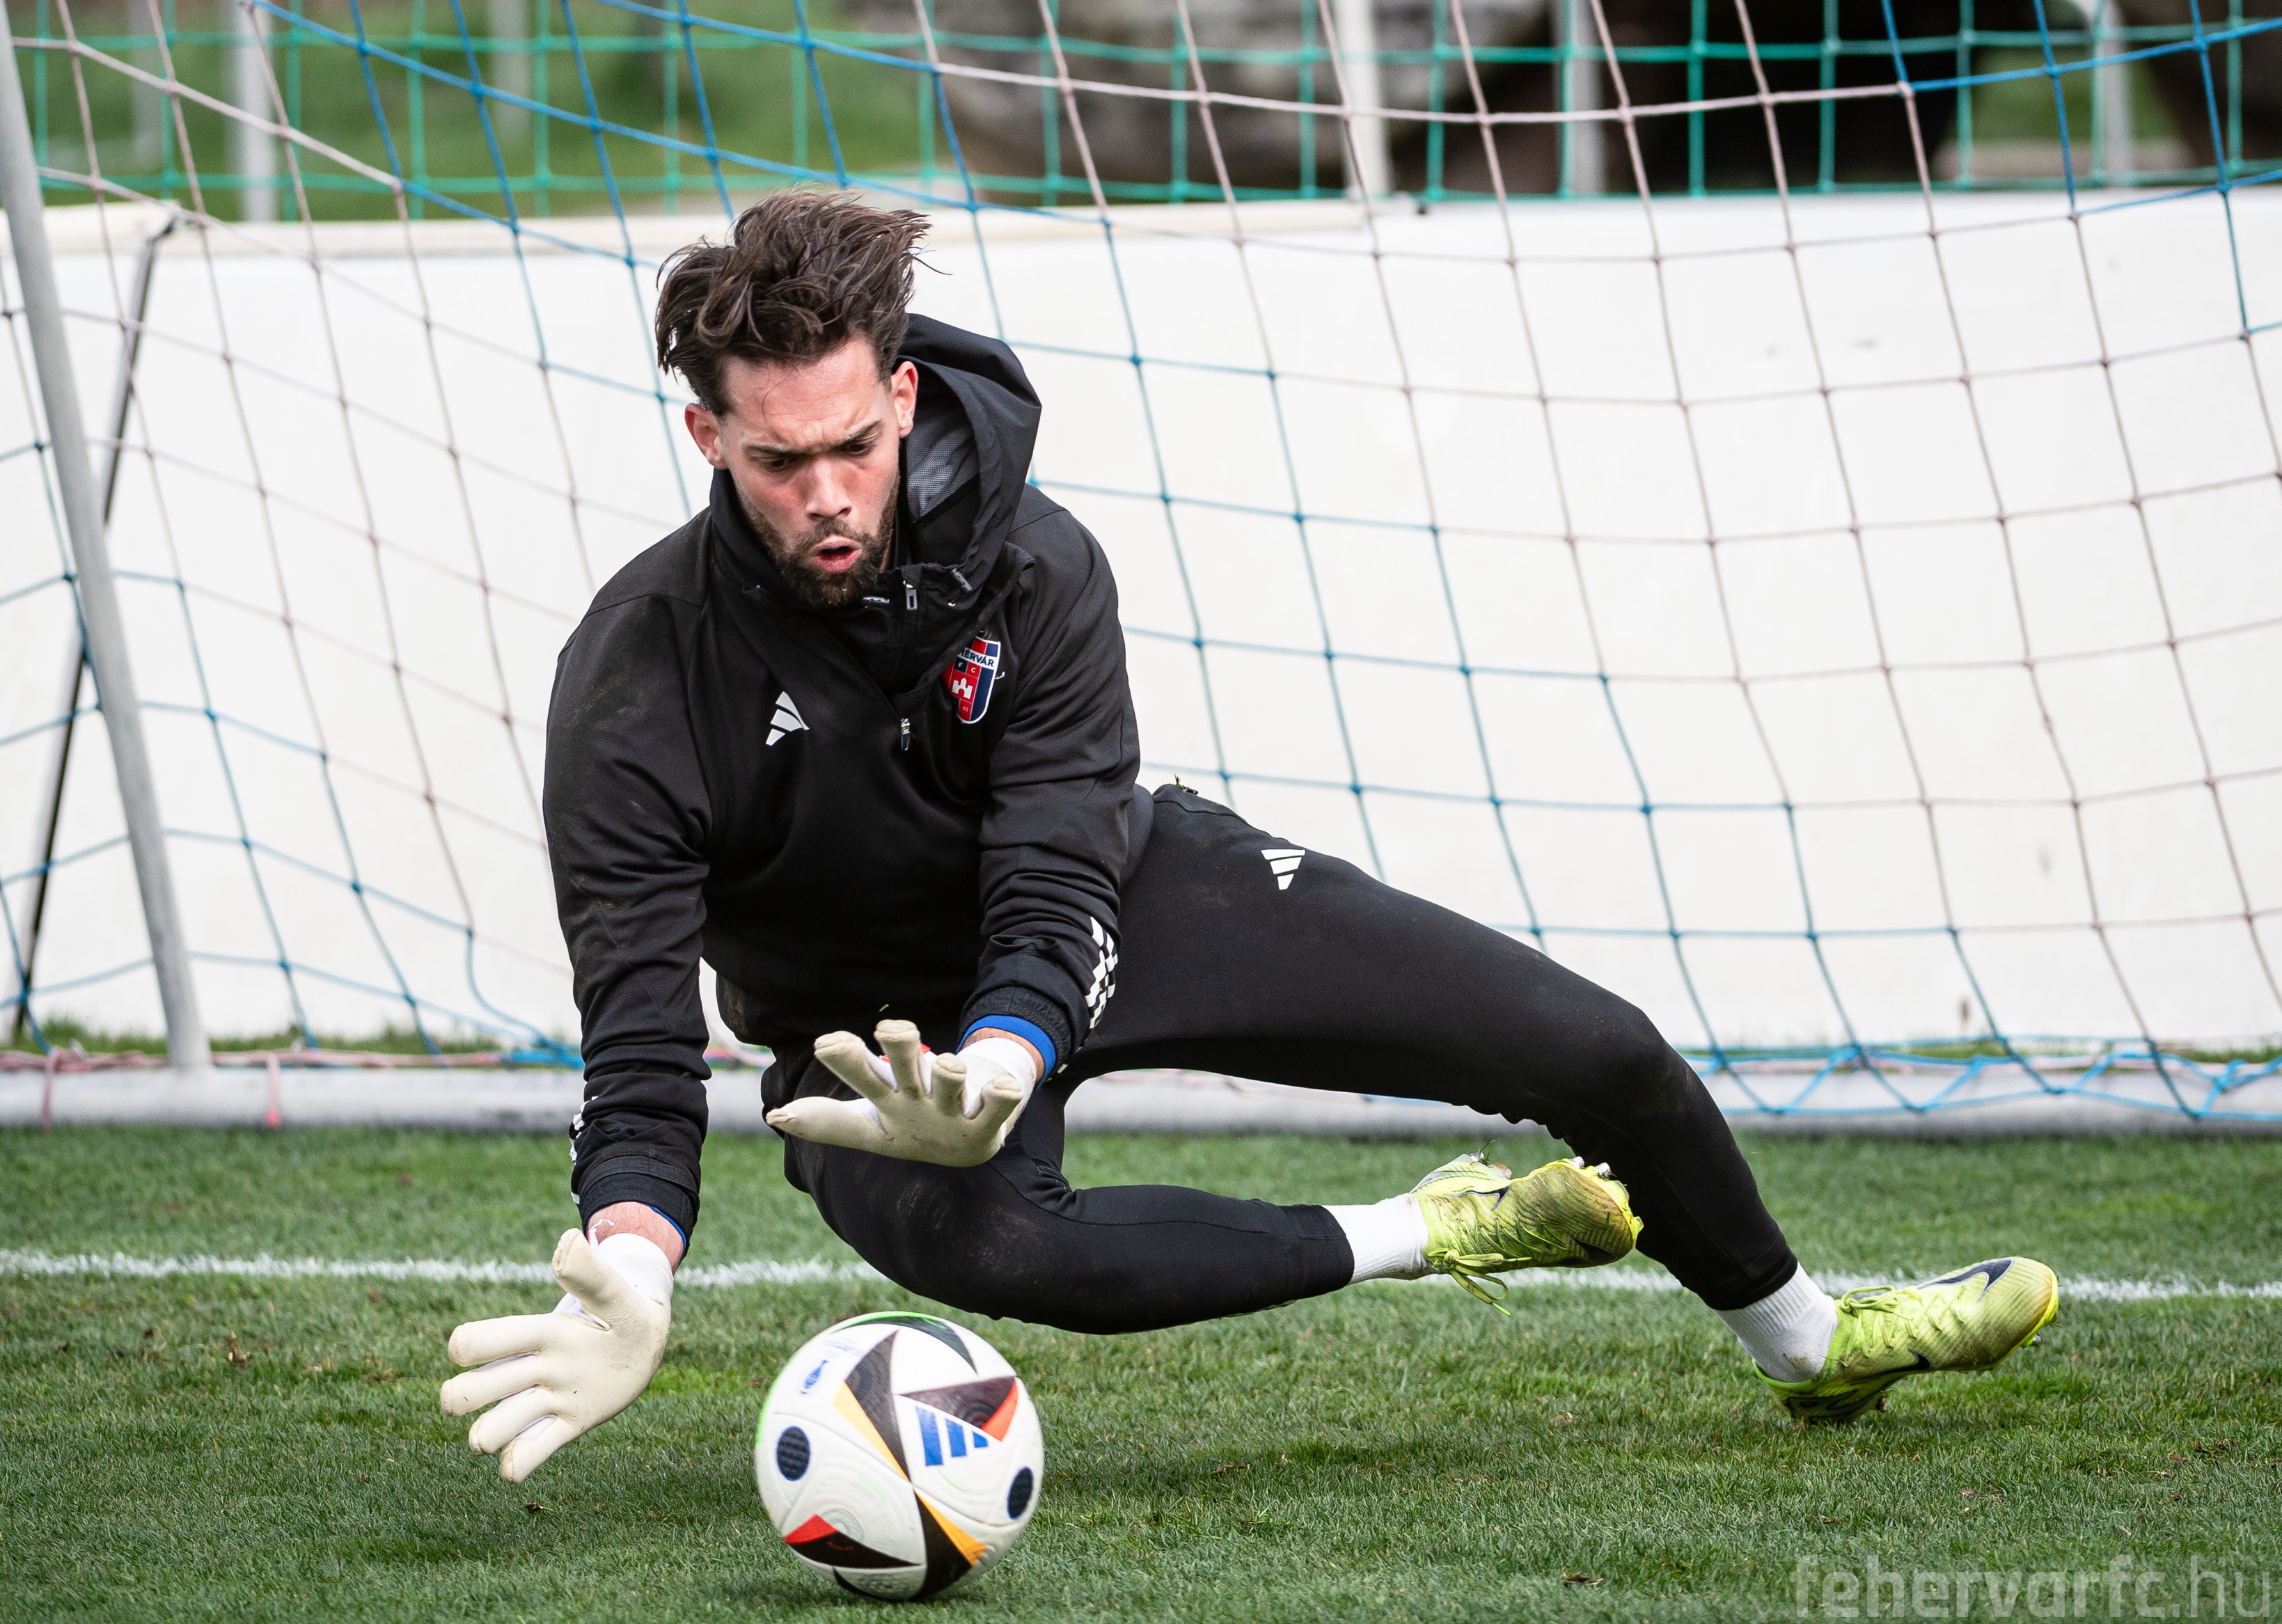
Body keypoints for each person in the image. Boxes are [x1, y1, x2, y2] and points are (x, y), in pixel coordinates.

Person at [436, 191, 2058, 1485]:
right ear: (708, 439)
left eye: (854, 443)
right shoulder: (637, 680)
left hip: (1122, 898)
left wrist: (1011, 1046)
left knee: (1599, 1050)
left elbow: (1058, 856)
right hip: (872, 1048)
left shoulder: (1037, 565)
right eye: (779, 460)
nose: (830, 494)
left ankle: (1809, 1344)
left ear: (904, 393)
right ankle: (1441, 1227)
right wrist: (634, 1262)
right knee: (1018, 1252)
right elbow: (638, 1044)